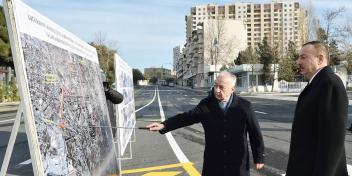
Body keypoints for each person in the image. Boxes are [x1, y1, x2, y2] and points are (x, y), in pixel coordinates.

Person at [146, 71, 265, 176]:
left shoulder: (245, 107)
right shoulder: (206, 105)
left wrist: (259, 157)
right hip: (213, 164)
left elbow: (255, 134)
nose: (217, 90)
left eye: (221, 87)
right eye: (215, 85)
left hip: (238, 164)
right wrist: (164, 125)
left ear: (232, 89)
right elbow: (187, 117)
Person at [286, 41, 348, 176]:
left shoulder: (329, 84)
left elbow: (332, 142)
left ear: (320, 59)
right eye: (298, 57)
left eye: (303, 57)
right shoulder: (318, 83)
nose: (298, 62)